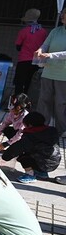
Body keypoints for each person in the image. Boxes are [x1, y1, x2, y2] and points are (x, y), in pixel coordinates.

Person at [2, 111, 61, 183]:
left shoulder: (31, 136)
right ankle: (42, 173)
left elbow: (17, 148)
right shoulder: (51, 130)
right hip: (55, 161)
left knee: (23, 156)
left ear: (30, 125)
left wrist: (5, 156)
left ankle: (30, 175)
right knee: (34, 151)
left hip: (45, 163)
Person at [35, 7, 66, 137]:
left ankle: (62, 129)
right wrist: (40, 50)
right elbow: (45, 45)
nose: (63, 15)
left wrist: (50, 56)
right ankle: (40, 126)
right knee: (44, 100)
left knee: (61, 103)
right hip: (48, 71)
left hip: (63, 75)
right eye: (63, 13)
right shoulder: (56, 31)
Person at [14, 9, 48, 95]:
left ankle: (17, 105)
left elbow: (18, 47)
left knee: (19, 83)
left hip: (23, 60)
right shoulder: (43, 32)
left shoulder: (23, 31)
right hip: (36, 61)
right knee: (30, 84)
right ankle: (26, 103)